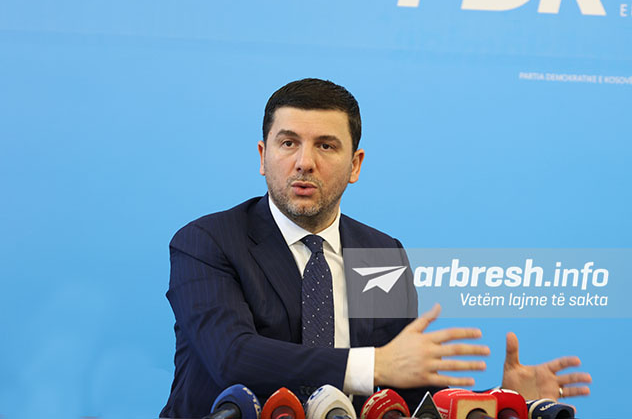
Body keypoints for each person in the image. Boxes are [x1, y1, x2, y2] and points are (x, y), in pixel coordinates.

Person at [160, 79, 591, 418]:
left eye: (325, 145)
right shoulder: (208, 241)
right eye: (288, 143)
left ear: (355, 165)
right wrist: (373, 365)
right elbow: (233, 357)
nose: (304, 162)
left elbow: (408, 390)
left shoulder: (380, 253)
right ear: (262, 155)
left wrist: (503, 402)